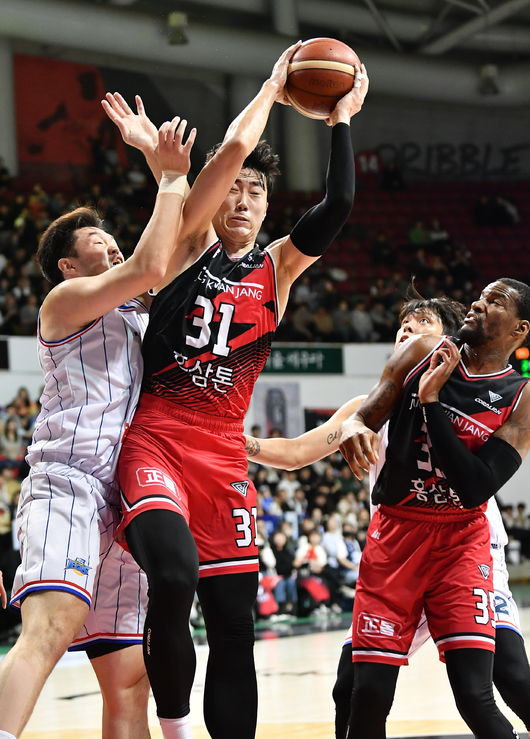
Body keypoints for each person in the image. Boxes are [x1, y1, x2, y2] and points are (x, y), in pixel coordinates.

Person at [103, 46, 369, 739]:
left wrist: (341, 118)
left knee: (233, 627)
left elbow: (338, 203)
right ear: (217, 200)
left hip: (223, 455)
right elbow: (228, 152)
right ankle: (176, 728)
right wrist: (274, 90)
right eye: (236, 188)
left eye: (257, 190)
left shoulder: (278, 268)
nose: (244, 197)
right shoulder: (185, 240)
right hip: (157, 437)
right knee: (175, 570)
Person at [245, 292, 530, 738]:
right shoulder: (382, 391)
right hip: (397, 545)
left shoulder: (502, 392)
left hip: (467, 549)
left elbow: (477, 483)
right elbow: (301, 450)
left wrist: (432, 400)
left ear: (446, 339)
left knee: (507, 679)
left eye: (420, 325)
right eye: (402, 327)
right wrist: (246, 444)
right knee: (354, 687)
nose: (407, 333)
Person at [0, 117, 196, 739]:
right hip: (69, 483)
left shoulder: (139, 313)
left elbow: (184, 245)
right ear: (67, 265)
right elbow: (149, 262)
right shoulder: (63, 304)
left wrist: (166, 166)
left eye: (117, 246)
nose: (115, 252)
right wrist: (165, 176)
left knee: (129, 680)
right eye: (102, 248)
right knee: (48, 631)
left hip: (126, 496)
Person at [338, 278, 530, 738]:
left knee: (477, 694)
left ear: (520, 330)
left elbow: (475, 487)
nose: (479, 303)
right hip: (396, 535)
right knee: (366, 694)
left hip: (462, 540)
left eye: (495, 301)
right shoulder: (421, 350)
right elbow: (367, 413)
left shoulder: (520, 397)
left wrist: (431, 402)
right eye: (481, 296)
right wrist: (352, 426)